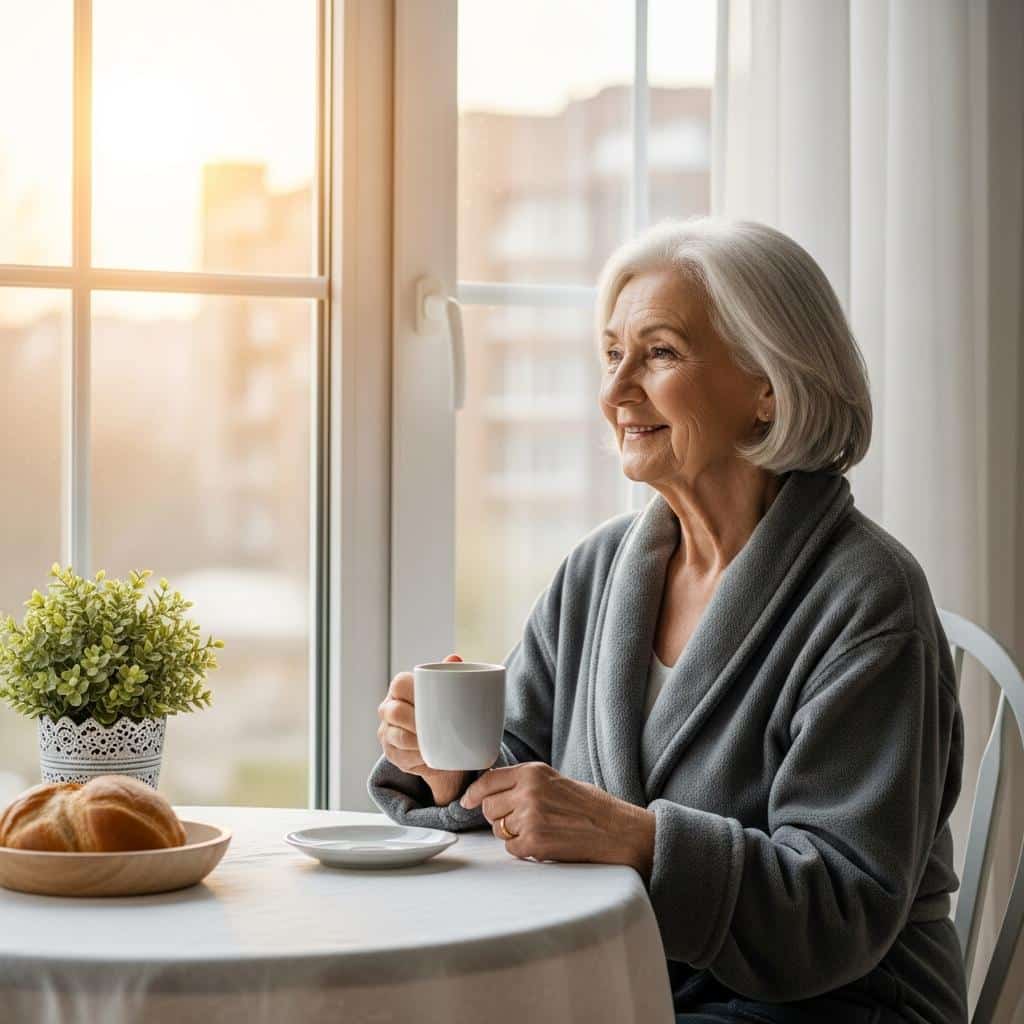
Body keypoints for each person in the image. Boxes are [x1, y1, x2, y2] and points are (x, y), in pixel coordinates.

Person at [367, 217, 968, 1023]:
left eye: (659, 353)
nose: (615, 392)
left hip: (833, 1006)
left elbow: (840, 907)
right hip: (627, 982)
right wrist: (449, 771)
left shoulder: (868, 600)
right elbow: (528, 770)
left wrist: (638, 840)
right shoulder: (600, 571)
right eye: (612, 354)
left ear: (768, 384)